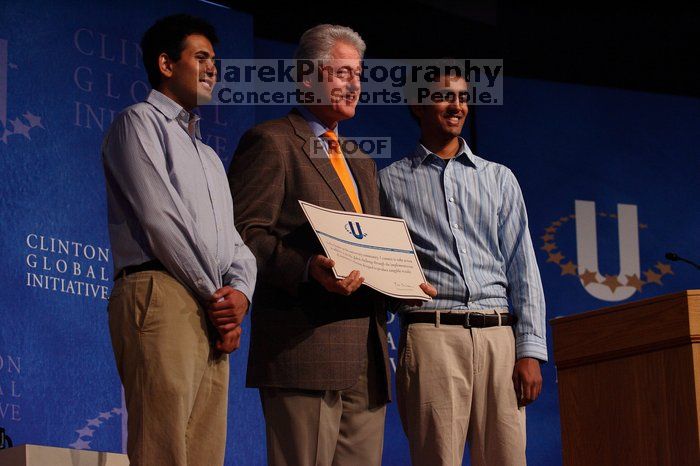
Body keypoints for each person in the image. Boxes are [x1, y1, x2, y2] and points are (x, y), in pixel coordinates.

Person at [228, 24, 434, 466]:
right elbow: (244, 234)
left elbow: (372, 247)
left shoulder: (361, 160)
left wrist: (403, 281)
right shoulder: (272, 142)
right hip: (303, 349)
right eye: (342, 73)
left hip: (367, 356)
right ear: (307, 77)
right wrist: (307, 269)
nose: (355, 84)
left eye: (358, 74)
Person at [101, 14, 256, 466]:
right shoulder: (138, 123)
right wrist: (218, 299)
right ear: (166, 64)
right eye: (201, 57)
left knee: (206, 453)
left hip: (211, 309)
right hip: (162, 292)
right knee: (162, 449)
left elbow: (235, 244)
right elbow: (159, 220)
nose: (212, 69)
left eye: (215, 60)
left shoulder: (208, 155)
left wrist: (241, 294)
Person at [378, 63, 548, 466]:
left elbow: (523, 267)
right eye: (443, 96)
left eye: (462, 97)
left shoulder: (500, 178)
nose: (457, 106)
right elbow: (381, 266)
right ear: (418, 105)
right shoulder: (387, 182)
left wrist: (530, 351)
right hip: (432, 335)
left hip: (499, 337)